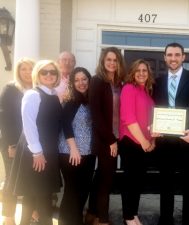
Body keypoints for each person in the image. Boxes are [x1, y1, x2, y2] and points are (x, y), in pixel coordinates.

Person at [153, 42, 189, 225]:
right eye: (169, 55)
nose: (173, 58)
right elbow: (153, 109)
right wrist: (151, 125)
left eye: (177, 54)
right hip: (165, 142)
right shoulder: (157, 81)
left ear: (183, 57)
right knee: (165, 185)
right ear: (165, 58)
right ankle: (166, 220)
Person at [10, 60, 62, 225]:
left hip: (48, 151)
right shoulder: (33, 94)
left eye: (52, 72)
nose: (48, 75)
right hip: (36, 152)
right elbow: (29, 125)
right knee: (42, 197)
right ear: (37, 75)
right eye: (44, 72)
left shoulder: (53, 95)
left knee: (33, 197)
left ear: (57, 76)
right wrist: (37, 153)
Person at [87, 47, 126, 225]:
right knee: (106, 179)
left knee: (101, 176)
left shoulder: (120, 82)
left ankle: (92, 213)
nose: (112, 63)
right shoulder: (96, 81)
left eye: (115, 60)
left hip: (118, 136)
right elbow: (96, 114)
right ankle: (102, 220)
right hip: (105, 138)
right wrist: (110, 140)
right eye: (108, 59)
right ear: (103, 61)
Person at [119, 59, 155, 225]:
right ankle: (128, 217)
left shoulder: (147, 92)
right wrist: (143, 141)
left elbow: (151, 120)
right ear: (132, 73)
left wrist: (152, 140)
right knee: (130, 182)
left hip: (144, 144)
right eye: (138, 70)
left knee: (138, 182)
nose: (141, 73)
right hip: (131, 143)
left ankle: (133, 214)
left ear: (148, 74)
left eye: (145, 70)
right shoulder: (128, 88)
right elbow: (129, 118)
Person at [58, 67, 96, 225]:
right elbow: (65, 125)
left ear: (89, 80)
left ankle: (76, 220)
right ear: (72, 83)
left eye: (84, 79)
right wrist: (74, 149)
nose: (81, 83)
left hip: (88, 153)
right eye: (77, 80)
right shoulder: (72, 101)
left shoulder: (90, 100)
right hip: (70, 153)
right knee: (72, 192)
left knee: (84, 190)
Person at [0, 58, 35, 225]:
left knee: (31, 179)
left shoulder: (36, 89)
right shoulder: (11, 89)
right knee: (11, 179)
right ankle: (8, 216)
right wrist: (11, 145)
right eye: (24, 69)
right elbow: (5, 119)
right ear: (18, 71)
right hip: (12, 142)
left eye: (30, 69)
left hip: (32, 143)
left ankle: (31, 214)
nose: (27, 72)